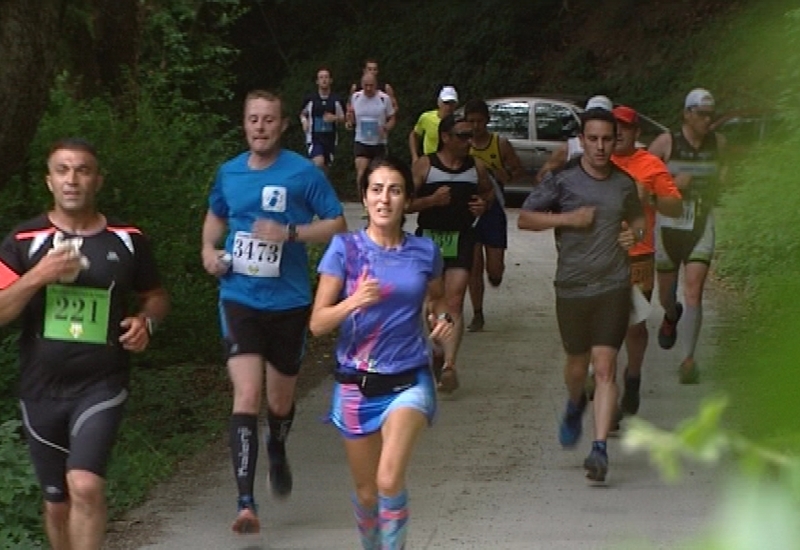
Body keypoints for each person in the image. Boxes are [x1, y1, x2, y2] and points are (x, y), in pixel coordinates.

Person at [0, 138, 170, 550]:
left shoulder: (127, 238)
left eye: (82, 170)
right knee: (57, 503)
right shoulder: (25, 240)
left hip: (101, 384)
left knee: (86, 484)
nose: (72, 179)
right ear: (49, 181)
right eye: (62, 170)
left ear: (98, 179)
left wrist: (147, 321)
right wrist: (38, 276)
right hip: (41, 388)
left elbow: (156, 295)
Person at [201, 90, 347, 534]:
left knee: (280, 401)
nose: (260, 127)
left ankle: (278, 445)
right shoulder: (229, 173)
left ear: (283, 125)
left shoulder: (303, 174)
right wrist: (208, 251)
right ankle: (246, 502)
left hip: (288, 301)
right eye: (252, 119)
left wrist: (290, 232)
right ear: (244, 124)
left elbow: (337, 224)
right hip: (239, 297)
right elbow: (215, 219)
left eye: (268, 120)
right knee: (246, 395)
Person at [310, 156, 454, 550]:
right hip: (356, 383)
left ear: (408, 199)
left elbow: (439, 303)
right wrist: (352, 301)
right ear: (364, 197)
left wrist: (442, 321)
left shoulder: (425, 252)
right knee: (368, 492)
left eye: (395, 190)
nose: (384, 199)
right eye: (376, 189)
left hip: (409, 377)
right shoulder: (345, 250)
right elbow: (318, 322)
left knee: (389, 479)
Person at [518, 108, 645, 483]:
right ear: (582, 140)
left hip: (613, 286)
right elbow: (526, 217)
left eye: (608, 139)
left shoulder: (624, 183)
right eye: (594, 139)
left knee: (605, 368)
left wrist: (633, 235)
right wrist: (566, 220)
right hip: (572, 286)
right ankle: (575, 403)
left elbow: (638, 219)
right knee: (577, 367)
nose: (601, 146)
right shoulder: (563, 180)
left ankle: (599, 448)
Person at [408, 114, 493, 393]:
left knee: (454, 301)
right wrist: (431, 201)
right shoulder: (425, 165)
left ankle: (450, 366)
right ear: (445, 137)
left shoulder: (475, 166)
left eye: (471, 135)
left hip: (462, 238)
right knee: (433, 301)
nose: (469, 141)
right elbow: (404, 203)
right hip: (429, 241)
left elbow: (489, 192)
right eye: (462, 136)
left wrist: (483, 205)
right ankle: (437, 347)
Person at [648, 88, 727, 384]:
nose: (708, 120)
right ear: (687, 114)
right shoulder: (667, 143)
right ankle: (670, 316)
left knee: (694, 290)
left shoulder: (718, 143)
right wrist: (670, 184)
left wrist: (722, 181)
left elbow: (724, 173)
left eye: (711, 114)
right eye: (702, 114)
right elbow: (641, 179)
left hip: (701, 223)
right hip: (668, 224)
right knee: (666, 295)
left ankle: (688, 359)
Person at [610, 105, 682, 416]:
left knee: (634, 325)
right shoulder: (596, 162)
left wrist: (648, 197)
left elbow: (675, 207)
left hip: (639, 257)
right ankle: (607, 396)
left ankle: (634, 376)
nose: (618, 132)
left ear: (636, 133)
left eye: (624, 127)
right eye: (613, 126)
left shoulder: (650, 165)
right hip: (600, 257)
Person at [463, 98, 526, 332]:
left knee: (494, 269)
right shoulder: (462, 145)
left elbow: (519, 171)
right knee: (473, 265)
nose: (475, 126)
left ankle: (496, 274)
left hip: (494, 210)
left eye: (479, 121)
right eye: (471, 121)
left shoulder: (500, 144)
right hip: (469, 209)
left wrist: (504, 175)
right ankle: (477, 313)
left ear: (487, 121)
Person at [536, 95, 613, 182]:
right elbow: (542, 176)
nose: (600, 146)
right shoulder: (568, 148)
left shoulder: (615, 148)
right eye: (593, 139)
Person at [346, 73, 397, 201]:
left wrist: (386, 128)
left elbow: (392, 118)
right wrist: (350, 120)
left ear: (376, 84)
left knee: (379, 173)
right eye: (366, 85)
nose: (368, 88)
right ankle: (364, 202)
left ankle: (378, 199)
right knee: (362, 172)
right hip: (361, 140)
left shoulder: (383, 98)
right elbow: (351, 117)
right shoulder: (356, 97)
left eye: (371, 85)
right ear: (362, 85)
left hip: (379, 142)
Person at [299, 67, 346, 174]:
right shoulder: (310, 99)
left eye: (326, 77)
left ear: (330, 80)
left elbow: (345, 119)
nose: (324, 80)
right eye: (321, 77)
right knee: (318, 162)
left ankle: (320, 188)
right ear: (317, 81)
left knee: (325, 169)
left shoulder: (336, 100)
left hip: (330, 138)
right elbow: (302, 113)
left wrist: (334, 118)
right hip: (314, 137)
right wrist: (304, 121)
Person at [408, 85, 459, 162]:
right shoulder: (426, 118)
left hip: (452, 162)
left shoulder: (460, 122)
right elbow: (414, 134)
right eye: (446, 103)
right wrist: (415, 156)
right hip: (430, 161)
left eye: (452, 103)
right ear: (439, 103)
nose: (449, 107)